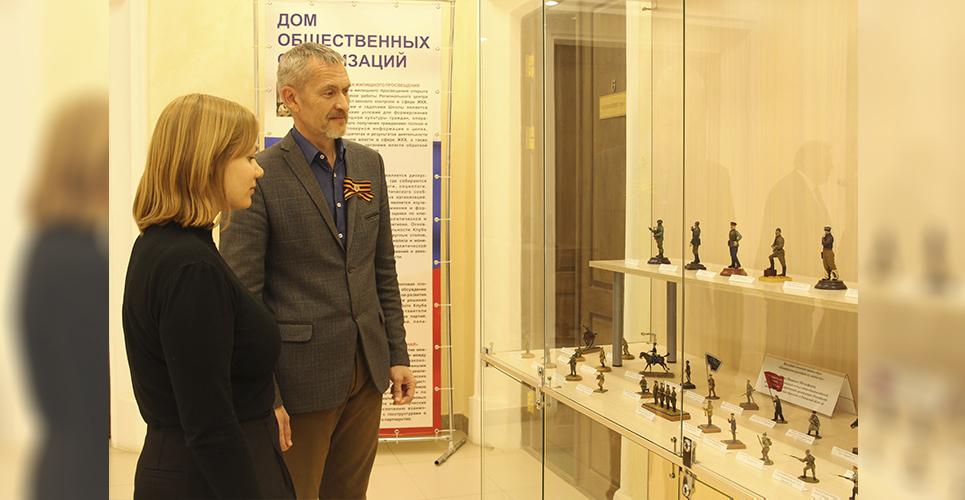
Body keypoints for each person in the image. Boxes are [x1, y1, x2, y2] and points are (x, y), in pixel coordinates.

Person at [219, 43, 416, 500]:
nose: (342, 102)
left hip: (366, 373)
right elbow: (243, 300)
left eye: (346, 91)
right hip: (298, 382)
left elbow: (382, 268)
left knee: (349, 494)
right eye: (329, 92)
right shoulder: (260, 175)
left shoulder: (368, 164)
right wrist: (265, 395)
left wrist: (396, 353)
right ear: (290, 98)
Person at [122, 94, 295, 499]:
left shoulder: (165, 244)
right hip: (209, 477)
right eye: (248, 157)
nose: (258, 169)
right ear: (208, 163)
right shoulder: (191, 268)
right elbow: (208, 422)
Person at [21, 95, 108, 500]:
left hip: (68, 457)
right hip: (78, 465)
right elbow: (83, 391)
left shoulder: (54, 247)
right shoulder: (75, 260)